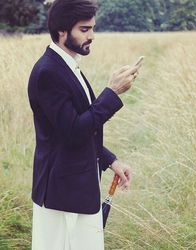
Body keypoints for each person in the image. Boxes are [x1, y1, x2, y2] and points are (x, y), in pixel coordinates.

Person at [27, 0, 142, 249]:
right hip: (61, 196)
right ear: (62, 30)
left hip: (78, 191)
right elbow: (72, 133)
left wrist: (111, 161)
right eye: (84, 29)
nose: (92, 36)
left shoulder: (68, 66)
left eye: (92, 28)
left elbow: (80, 126)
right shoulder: (48, 72)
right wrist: (112, 92)